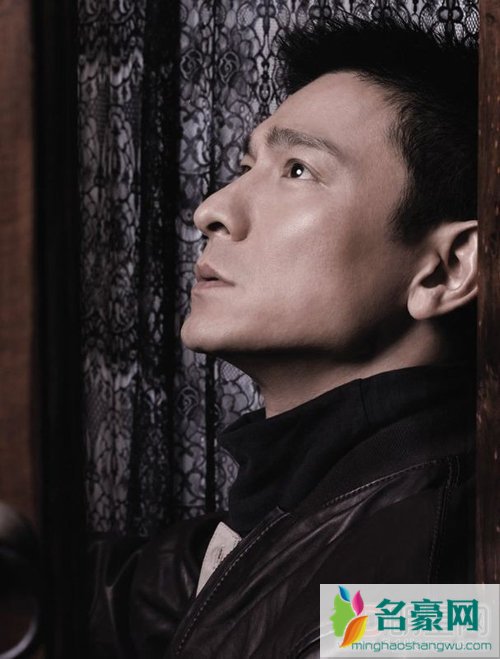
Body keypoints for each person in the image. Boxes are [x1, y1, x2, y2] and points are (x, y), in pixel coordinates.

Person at [89, 15, 478, 659]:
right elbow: (137, 594)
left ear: (446, 269)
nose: (212, 210)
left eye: (298, 170)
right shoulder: (303, 494)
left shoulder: (423, 575)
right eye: (247, 165)